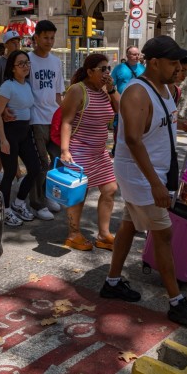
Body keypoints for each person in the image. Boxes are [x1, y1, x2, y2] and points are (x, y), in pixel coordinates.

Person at [100, 35, 187, 327]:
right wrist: (155, 184)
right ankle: (175, 302)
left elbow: (163, 121)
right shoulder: (137, 92)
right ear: (155, 62)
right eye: (173, 62)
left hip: (153, 173)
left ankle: (111, 283)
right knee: (164, 233)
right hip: (140, 175)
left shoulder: (165, 89)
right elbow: (133, 140)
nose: (178, 67)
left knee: (128, 224)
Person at [59, 54, 119, 251]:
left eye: (108, 68)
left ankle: (103, 235)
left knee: (110, 189)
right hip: (79, 149)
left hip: (99, 152)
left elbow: (119, 110)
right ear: (90, 71)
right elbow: (66, 121)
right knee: (79, 194)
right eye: (102, 69)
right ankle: (73, 234)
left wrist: (111, 89)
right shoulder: (78, 90)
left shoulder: (104, 90)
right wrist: (65, 150)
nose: (106, 73)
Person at [0, 50, 41, 227]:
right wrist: (3, 140)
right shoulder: (7, 86)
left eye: (27, 63)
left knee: (35, 168)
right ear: (12, 68)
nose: (25, 66)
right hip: (10, 132)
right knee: (10, 173)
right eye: (21, 64)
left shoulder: (27, 84)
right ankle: (5, 210)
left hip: (25, 131)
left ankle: (19, 203)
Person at [27, 20, 66, 221]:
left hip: (54, 118)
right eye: (45, 37)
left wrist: (63, 116)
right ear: (36, 38)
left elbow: (58, 93)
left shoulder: (57, 62)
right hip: (35, 118)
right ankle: (37, 203)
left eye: (52, 38)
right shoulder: (27, 60)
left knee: (57, 160)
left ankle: (48, 194)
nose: (49, 41)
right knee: (41, 162)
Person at [0, 30, 23, 185]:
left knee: (9, 143)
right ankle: (19, 175)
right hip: (3, 109)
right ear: (6, 44)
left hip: (17, 108)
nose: (17, 44)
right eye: (13, 42)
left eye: (18, 41)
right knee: (10, 143)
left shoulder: (21, 62)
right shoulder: (0, 64)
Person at [110, 46, 146, 156]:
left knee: (138, 129)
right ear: (127, 55)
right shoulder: (119, 68)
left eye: (138, 54)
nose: (137, 56)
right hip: (122, 105)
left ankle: (135, 150)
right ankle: (118, 149)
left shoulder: (143, 69)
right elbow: (111, 85)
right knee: (120, 127)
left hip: (139, 105)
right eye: (134, 54)